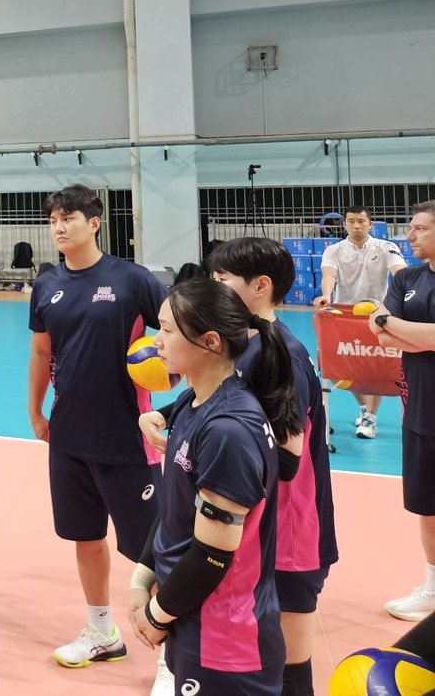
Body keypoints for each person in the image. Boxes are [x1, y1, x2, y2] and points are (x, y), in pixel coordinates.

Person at [166, 237, 334, 696]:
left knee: (288, 666)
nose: (213, 288)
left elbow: (286, 457)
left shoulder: (284, 356)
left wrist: (211, 450)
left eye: (222, 280)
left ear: (260, 287)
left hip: (290, 534)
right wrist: (169, 417)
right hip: (259, 527)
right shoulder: (249, 346)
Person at [127, 277, 301, 696]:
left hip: (224, 638)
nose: (156, 342)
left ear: (209, 341)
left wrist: (156, 614)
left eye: (167, 330)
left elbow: (212, 553)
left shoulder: (227, 431)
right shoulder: (195, 399)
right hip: (192, 616)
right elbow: (177, 511)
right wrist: (142, 577)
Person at [26, 184, 168, 668]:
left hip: (128, 437)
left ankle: (176, 658)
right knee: (85, 538)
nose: (59, 227)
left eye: (68, 217)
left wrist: (168, 379)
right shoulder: (46, 285)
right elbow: (42, 352)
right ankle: (101, 630)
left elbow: (179, 333)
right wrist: (35, 411)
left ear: (95, 222)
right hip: (68, 436)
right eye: (53, 220)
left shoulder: (132, 280)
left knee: (154, 552)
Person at [373, 200, 435, 622]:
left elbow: (388, 326)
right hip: (420, 410)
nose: (409, 236)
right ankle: (433, 587)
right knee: (427, 505)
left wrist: (391, 326)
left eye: (419, 229)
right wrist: (411, 334)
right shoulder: (407, 278)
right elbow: (382, 336)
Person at [313, 203, 405, 439]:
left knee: (376, 366)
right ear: (344, 224)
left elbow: (399, 272)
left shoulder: (386, 247)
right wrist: (325, 295)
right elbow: (329, 275)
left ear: (370, 224)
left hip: (378, 315)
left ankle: (371, 418)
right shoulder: (333, 250)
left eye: (361, 221)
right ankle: (363, 408)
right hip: (344, 316)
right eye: (351, 221)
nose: (356, 225)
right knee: (343, 366)